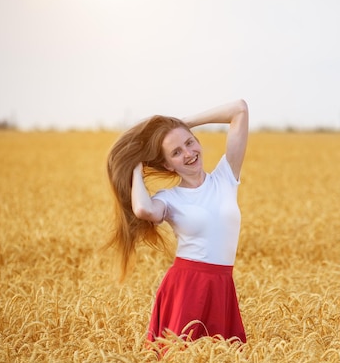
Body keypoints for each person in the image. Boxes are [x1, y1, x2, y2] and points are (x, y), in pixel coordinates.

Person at [106, 99, 249, 344]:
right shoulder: (169, 198)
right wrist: (135, 169)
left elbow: (239, 109)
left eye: (189, 142)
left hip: (223, 285)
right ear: (167, 164)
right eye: (176, 152)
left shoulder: (225, 178)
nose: (188, 154)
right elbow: (142, 209)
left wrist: (185, 123)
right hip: (187, 287)